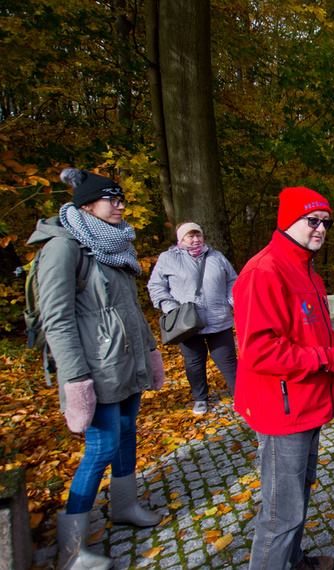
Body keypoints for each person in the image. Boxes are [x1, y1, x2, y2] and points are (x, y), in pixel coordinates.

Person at [28, 168, 164, 570]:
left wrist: (150, 351)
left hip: (126, 363)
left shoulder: (114, 245)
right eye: (112, 198)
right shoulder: (64, 247)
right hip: (94, 371)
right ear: (86, 204)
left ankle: (124, 507)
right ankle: (72, 550)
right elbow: (57, 320)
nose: (120, 205)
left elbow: (129, 312)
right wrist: (75, 380)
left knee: (125, 437)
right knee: (101, 446)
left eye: (122, 198)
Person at [233, 187, 334, 570]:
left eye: (326, 222)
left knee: (298, 495)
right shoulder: (264, 270)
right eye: (312, 220)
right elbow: (259, 351)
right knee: (280, 511)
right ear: (288, 222)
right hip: (282, 408)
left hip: (308, 403)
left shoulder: (307, 269)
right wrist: (328, 358)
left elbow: (306, 331)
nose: (321, 229)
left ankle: (292, 562)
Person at [148, 222, 239, 414]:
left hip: (218, 319)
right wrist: (170, 308)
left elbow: (233, 279)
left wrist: (230, 301)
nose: (196, 239)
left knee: (228, 360)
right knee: (194, 362)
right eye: (190, 236)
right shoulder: (168, 258)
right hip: (186, 322)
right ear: (181, 239)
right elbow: (156, 286)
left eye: (198, 234)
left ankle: (242, 395)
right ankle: (200, 398)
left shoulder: (216, 256)